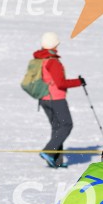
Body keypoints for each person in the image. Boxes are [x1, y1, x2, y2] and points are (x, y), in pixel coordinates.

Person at [33, 32, 85, 168]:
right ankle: (49, 152)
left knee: (57, 128)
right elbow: (60, 83)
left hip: (44, 99)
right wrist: (78, 82)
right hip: (55, 99)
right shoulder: (52, 61)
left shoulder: (40, 59)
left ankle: (55, 161)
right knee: (66, 125)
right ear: (54, 44)